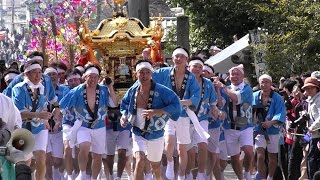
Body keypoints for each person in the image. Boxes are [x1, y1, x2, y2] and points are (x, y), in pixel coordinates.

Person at [121, 60, 181, 180]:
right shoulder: (133, 90)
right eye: (141, 72)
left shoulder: (162, 90)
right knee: (140, 160)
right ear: (136, 74)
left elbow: (176, 105)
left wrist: (157, 111)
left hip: (156, 132)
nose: (144, 75)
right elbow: (124, 104)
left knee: (155, 165)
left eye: (147, 72)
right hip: (138, 131)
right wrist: (124, 116)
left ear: (151, 74)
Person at [60, 63, 118, 180]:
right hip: (83, 125)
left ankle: (94, 178)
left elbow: (114, 103)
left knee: (97, 156)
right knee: (84, 147)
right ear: (85, 77)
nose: (92, 79)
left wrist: (110, 86)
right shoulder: (76, 91)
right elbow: (62, 105)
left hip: (99, 126)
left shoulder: (103, 90)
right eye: (90, 76)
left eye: (95, 77)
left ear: (98, 78)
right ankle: (82, 173)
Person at [152, 47, 201, 180]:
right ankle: (170, 162)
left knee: (182, 149)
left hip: (184, 116)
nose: (178, 59)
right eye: (176, 56)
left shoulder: (190, 78)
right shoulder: (163, 72)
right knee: (168, 143)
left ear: (186, 59)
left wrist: (181, 102)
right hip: (167, 114)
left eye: (181, 57)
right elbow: (146, 78)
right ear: (172, 58)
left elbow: (195, 98)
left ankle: (181, 175)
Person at [11, 61, 52, 180]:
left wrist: (45, 119)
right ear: (27, 74)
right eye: (34, 72)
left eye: (40, 73)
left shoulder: (42, 88)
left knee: (41, 157)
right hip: (23, 128)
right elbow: (20, 114)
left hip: (39, 127)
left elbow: (43, 106)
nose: (38, 76)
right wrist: (39, 115)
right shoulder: (18, 89)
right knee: (25, 161)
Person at [215, 64, 254, 180]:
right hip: (229, 126)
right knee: (234, 157)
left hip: (245, 126)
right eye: (232, 74)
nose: (235, 76)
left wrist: (222, 87)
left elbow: (235, 98)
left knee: (248, 150)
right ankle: (241, 178)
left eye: (237, 74)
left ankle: (248, 174)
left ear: (243, 76)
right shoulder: (225, 88)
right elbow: (220, 103)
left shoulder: (247, 88)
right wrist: (217, 89)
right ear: (229, 76)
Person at [185, 57, 219, 180]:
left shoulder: (207, 83)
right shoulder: (183, 81)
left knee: (203, 145)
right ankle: (187, 174)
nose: (198, 69)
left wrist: (215, 110)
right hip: (185, 119)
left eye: (200, 67)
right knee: (189, 151)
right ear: (189, 67)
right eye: (195, 66)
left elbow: (213, 102)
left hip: (202, 119)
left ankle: (201, 174)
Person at [252, 74, 286, 180]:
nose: (264, 84)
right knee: (260, 155)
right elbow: (248, 111)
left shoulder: (277, 98)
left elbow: (281, 113)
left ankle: (270, 177)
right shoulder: (254, 96)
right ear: (259, 83)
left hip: (272, 130)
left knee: (272, 156)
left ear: (271, 84)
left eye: (267, 82)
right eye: (262, 82)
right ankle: (262, 177)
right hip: (259, 129)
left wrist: (271, 122)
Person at [61, 68, 83, 180]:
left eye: (76, 80)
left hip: (82, 123)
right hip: (68, 123)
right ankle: (70, 176)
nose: (73, 83)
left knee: (79, 150)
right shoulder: (65, 90)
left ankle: (79, 174)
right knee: (67, 148)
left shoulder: (87, 89)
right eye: (71, 81)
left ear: (81, 79)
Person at [301, 77, 320, 179]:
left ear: (316, 88)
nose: (308, 90)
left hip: (317, 135)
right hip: (312, 135)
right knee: (310, 159)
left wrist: (312, 127)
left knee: (313, 160)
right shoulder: (309, 101)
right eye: (306, 88)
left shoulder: (318, 99)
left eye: (311, 88)